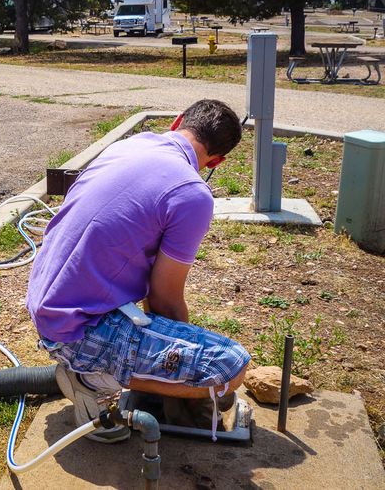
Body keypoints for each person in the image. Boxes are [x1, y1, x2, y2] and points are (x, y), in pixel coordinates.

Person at [26, 99, 249, 442]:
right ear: (216, 160)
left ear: (177, 122)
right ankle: (91, 378)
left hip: (48, 301)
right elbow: (164, 300)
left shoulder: (130, 145)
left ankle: (107, 370)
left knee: (185, 352)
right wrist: (187, 369)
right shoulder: (192, 194)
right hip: (79, 330)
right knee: (230, 368)